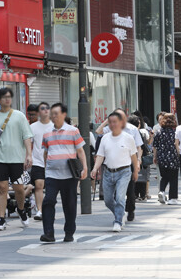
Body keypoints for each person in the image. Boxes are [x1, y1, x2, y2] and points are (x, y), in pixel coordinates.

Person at [0, 87, 34, 231]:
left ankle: (21, 210)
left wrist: (28, 154)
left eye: (9, 96)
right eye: (4, 97)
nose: (7, 99)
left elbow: (27, 136)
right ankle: (1, 218)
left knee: (19, 189)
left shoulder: (19, 116)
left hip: (16, 159)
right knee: (2, 188)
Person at [39, 103, 88, 243]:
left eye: (56, 113)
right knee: (48, 201)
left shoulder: (73, 131)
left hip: (69, 175)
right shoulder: (47, 132)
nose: (53, 116)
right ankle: (48, 233)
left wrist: (84, 168)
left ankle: (69, 232)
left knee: (70, 204)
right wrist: (45, 168)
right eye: (52, 113)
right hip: (52, 175)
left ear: (63, 115)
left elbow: (80, 151)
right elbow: (46, 152)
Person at [91, 112, 139, 232]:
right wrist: (95, 168)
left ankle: (117, 221)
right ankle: (121, 213)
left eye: (115, 122)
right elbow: (100, 156)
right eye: (110, 122)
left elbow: (133, 156)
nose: (112, 124)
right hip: (108, 172)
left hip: (124, 172)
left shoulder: (128, 138)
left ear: (121, 123)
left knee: (120, 198)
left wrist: (136, 171)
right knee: (108, 200)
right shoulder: (105, 138)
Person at [29, 102, 53, 221]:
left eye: (47, 108)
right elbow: (29, 144)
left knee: (50, 187)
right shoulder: (33, 127)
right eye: (42, 109)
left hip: (52, 161)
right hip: (37, 160)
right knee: (38, 185)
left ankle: (48, 209)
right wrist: (27, 157)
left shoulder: (54, 126)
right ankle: (40, 210)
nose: (45, 110)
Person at [153, 113, 180, 205]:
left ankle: (161, 191)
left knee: (164, 177)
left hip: (162, 157)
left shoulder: (159, 132)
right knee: (173, 177)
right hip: (173, 157)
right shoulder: (175, 132)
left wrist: (155, 157)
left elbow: (155, 146)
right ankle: (172, 198)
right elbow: (177, 145)